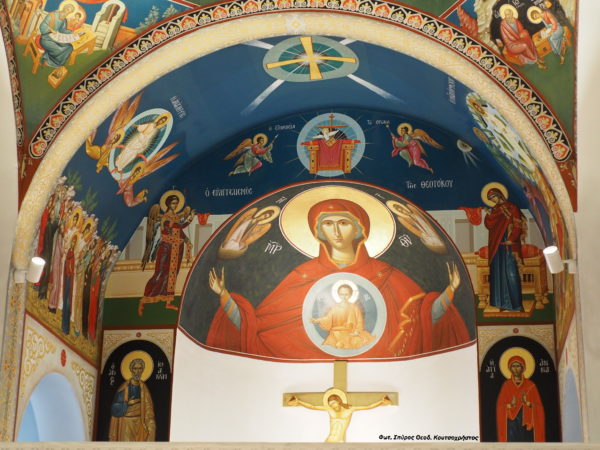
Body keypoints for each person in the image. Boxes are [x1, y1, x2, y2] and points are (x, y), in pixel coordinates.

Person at [206, 198, 470, 359]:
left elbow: (421, 317)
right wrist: (224, 296)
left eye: (343, 223)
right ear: (318, 231)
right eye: (327, 224)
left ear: (359, 229)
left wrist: (450, 291)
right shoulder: (302, 275)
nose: (335, 231)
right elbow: (260, 326)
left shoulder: (386, 274)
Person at [138, 194, 193, 315]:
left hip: (176, 249)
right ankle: (144, 300)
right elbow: (180, 226)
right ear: (168, 204)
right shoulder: (166, 217)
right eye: (173, 203)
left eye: (176, 203)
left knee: (172, 275)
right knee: (160, 273)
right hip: (166, 248)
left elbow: (179, 231)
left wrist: (187, 240)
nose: (175, 205)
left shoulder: (175, 216)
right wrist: (190, 218)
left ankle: (168, 302)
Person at [288, 392, 391, 442]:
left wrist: (381, 402)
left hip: (340, 442)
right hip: (328, 441)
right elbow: (313, 406)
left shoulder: (349, 409)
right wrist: (299, 402)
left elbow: (367, 406)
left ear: (339, 401)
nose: (332, 406)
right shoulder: (330, 410)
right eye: (330, 404)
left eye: (333, 403)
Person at [484, 188, 525, 311]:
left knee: (511, 273)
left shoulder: (512, 207)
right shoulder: (494, 210)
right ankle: (502, 303)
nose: (493, 200)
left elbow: (518, 224)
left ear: (499, 195)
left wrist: (512, 238)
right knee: (499, 273)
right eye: (490, 199)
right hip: (497, 245)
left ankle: (516, 305)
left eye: (493, 197)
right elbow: (489, 225)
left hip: (509, 244)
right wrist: (488, 215)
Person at [311, 282, 375, 349]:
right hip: (337, 333)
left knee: (357, 341)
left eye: (346, 294)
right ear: (338, 294)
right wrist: (317, 320)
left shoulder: (354, 308)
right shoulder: (335, 308)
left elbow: (360, 321)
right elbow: (328, 319)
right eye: (341, 294)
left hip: (351, 332)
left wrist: (357, 331)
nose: (344, 297)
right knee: (333, 343)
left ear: (350, 295)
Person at [496, 355, 545, 442]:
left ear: (523, 368)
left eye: (518, 366)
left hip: (526, 425)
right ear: (510, 368)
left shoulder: (531, 386)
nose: (515, 369)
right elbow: (500, 406)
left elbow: (539, 408)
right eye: (513, 366)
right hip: (512, 425)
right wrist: (510, 405)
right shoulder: (506, 385)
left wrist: (527, 403)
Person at [109, 358, 156, 441]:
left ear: (142, 370)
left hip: (140, 423)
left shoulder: (144, 388)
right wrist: (126, 405)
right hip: (127, 423)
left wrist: (150, 422)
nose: (137, 371)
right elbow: (115, 408)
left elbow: (148, 406)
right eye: (135, 368)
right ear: (131, 370)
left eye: (140, 368)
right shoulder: (124, 387)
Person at [39, 5, 82, 76]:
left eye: (69, 12)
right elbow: (42, 27)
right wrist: (50, 30)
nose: (67, 13)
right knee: (59, 49)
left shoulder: (64, 19)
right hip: (45, 39)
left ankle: (57, 63)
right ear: (64, 8)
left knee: (69, 47)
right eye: (67, 10)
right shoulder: (52, 15)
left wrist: (72, 32)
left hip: (55, 38)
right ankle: (50, 62)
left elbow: (62, 30)